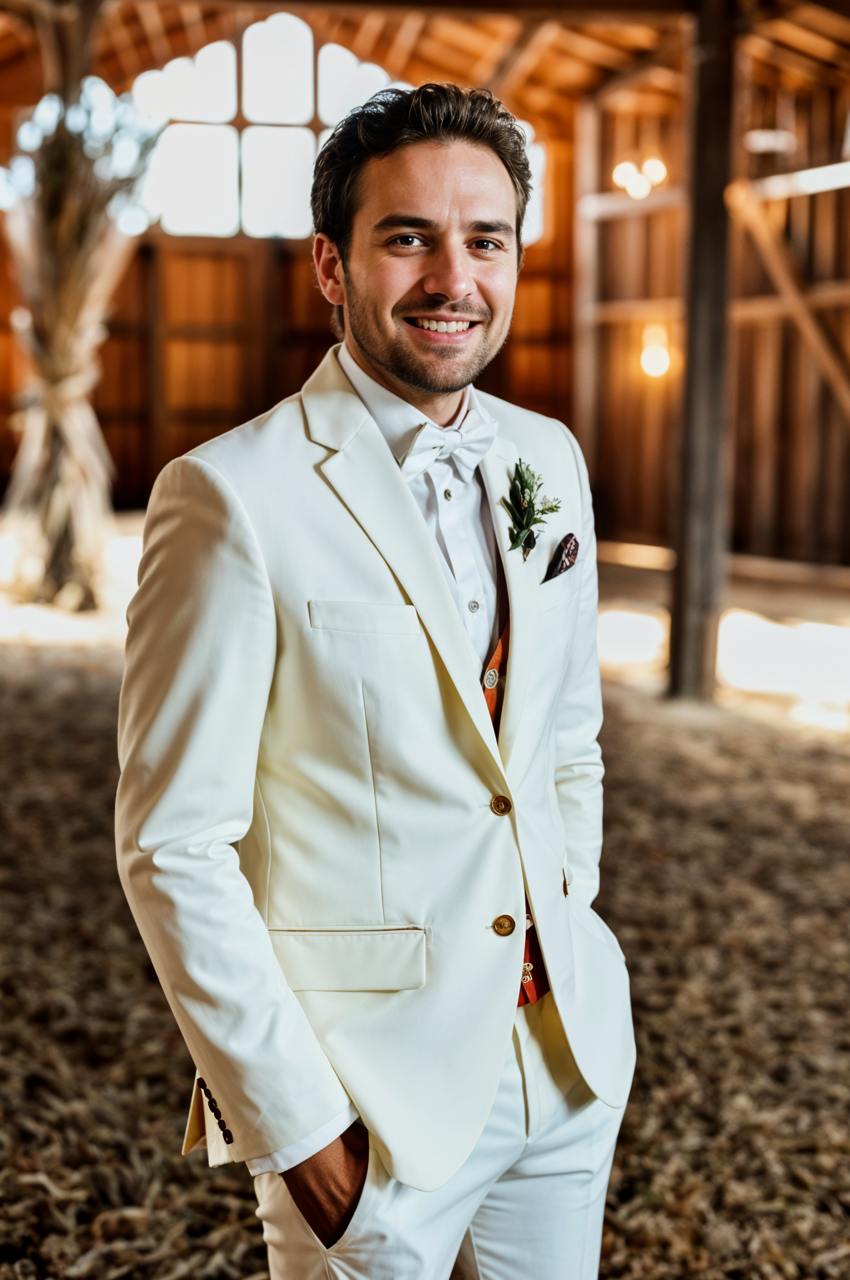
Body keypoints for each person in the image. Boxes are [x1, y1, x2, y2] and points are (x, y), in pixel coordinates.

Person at [115, 82, 636, 1279]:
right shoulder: (229, 496)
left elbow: (563, 738)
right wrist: (299, 1130)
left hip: (565, 1065)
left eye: (485, 239)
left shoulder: (545, 458)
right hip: (367, 1099)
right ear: (332, 267)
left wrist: (567, 923)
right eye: (408, 237)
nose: (453, 276)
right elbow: (173, 843)